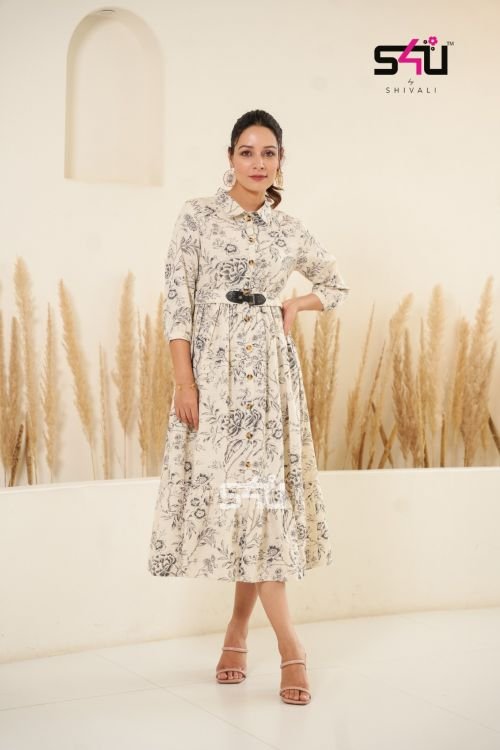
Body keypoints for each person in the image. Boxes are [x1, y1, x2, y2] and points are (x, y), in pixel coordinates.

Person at [147, 109, 350, 705]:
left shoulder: (289, 230)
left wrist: (295, 305)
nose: (258, 163)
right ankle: (250, 635)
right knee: (244, 507)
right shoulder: (198, 216)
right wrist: (184, 383)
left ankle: (278, 643)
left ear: (280, 161)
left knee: (257, 507)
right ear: (230, 157)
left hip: (269, 386)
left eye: (269, 153)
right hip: (214, 380)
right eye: (247, 151)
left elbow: (335, 284)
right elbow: (177, 303)